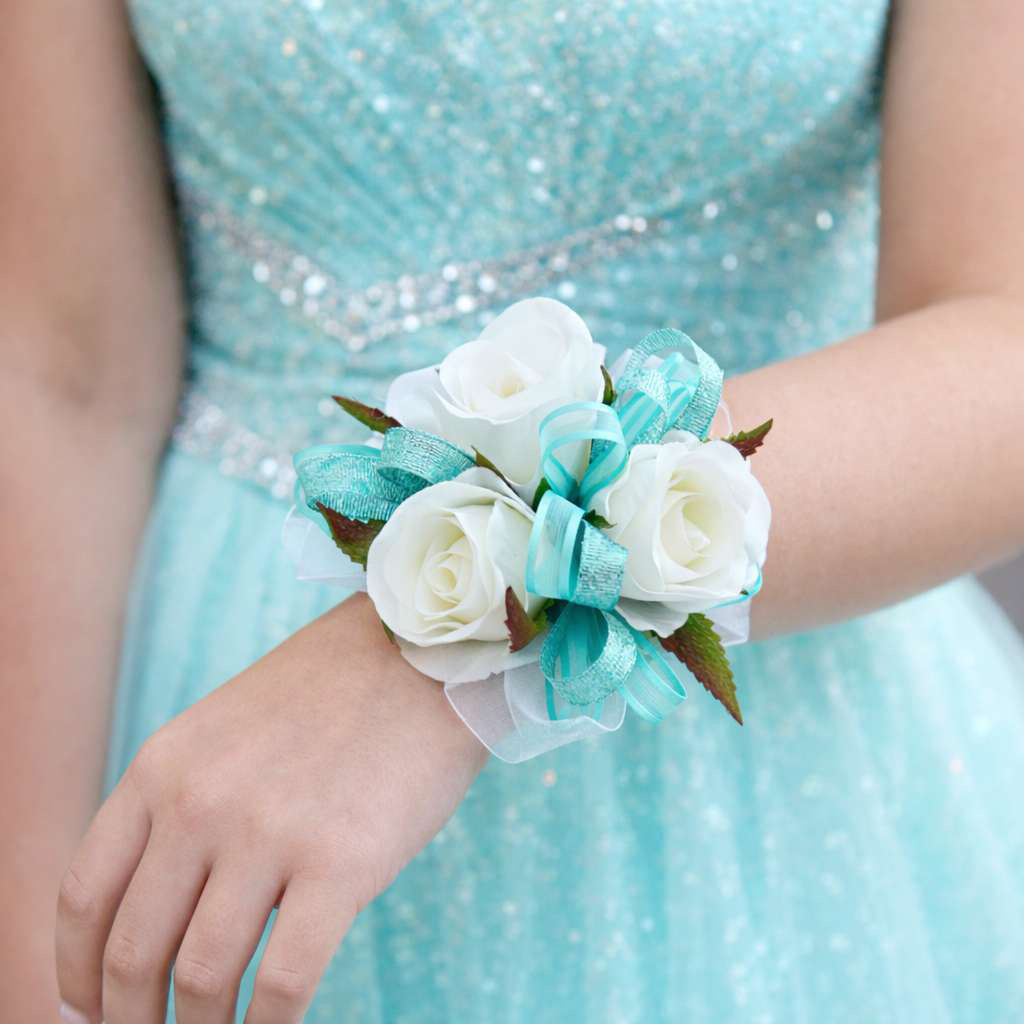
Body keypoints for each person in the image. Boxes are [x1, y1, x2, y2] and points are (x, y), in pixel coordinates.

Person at [2, 1, 1023, 1021]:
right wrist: (34, 930)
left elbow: (1001, 348)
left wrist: (439, 648)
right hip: (195, 708)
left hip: (760, 725)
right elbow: (65, 375)